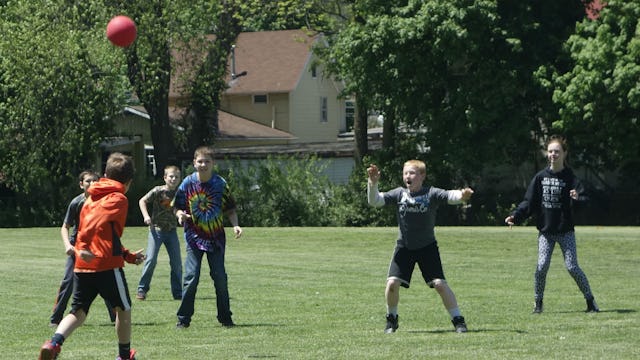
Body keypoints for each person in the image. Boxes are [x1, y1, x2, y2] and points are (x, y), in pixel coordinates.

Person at [39, 153, 145, 360]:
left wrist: (128, 256)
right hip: (106, 265)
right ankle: (124, 355)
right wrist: (85, 244)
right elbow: (95, 224)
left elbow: (106, 235)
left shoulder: (91, 197)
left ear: (105, 175)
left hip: (82, 265)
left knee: (78, 311)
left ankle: (54, 343)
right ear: (129, 182)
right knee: (123, 309)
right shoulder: (119, 198)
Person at [367, 160, 474, 334]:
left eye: (412, 173)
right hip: (404, 247)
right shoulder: (399, 194)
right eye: (405, 173)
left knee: (439, 284)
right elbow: (375, 201)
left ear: (422, 176)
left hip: (427, 248)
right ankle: (391, 320)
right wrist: (373, 183)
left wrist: (462, 195)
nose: (408, 176)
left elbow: (449, 195)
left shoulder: (431, 193)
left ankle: (458, 320)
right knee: (392, 283)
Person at [505, 134, 599, 314]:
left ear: (564, 154)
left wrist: (577, 199)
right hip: (546, 232)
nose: (553, 155)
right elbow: (529, 202)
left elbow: (585, 200)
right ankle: (538, 303)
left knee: (572, 267)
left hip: (565, 231)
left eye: (557, 152)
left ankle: (590, 301)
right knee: (541, 267)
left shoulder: (571, 178)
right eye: (550, 152)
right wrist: (515, 217)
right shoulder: (540, 178)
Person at [173, 145, 242, 329]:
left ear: (213, 164)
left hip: (216, 239)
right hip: (194, 237)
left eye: (207, 161)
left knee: (220, 278)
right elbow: (177, 206)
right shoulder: (187, 183)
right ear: (194, 163)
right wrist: (180, 214)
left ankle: (225, 318)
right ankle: (183, 319)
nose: (203, 164)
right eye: (200, 161)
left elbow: (230, 209)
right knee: (191, 277)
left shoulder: (220, 184)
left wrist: (235, 225)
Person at [50, 170, 116, 327]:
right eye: (88, 181)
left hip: (97, 247)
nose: (92, 184)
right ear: (81, 184)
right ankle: (56, 318)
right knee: (68, 282)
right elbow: (65, 227)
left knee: (106, 282)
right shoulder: (76, 203)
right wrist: (68, 245)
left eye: (95, 181)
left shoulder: (103, 202)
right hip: (78, 248)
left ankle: (116, 317)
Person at [136, 165, 183, 301]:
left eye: (176, 177)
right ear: (165, 178)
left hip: (172, 231)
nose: (173, 179)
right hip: (156, 231)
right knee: (150, 260)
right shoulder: (158, 191)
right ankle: (142, 290)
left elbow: (179, 209)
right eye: (171, 176)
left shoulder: (180, 193)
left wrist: (181, 216)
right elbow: (142, 201)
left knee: (176, 263)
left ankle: (177, 292)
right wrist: (146, 216)